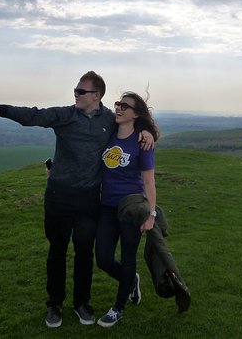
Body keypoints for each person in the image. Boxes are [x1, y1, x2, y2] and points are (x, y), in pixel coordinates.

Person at [0, 71, 154, 328]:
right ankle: (54, 305)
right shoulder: (65, 115)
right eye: (75, 91)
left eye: (81, 91)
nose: (76, 95)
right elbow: (34, 115)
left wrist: (147, 132)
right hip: (58, 197)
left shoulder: (109, 119)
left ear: (96, 95)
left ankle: (82, 304)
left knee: (84, 254)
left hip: (89, 200)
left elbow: (132, 125)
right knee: (56, 252)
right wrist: (0, 109)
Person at [95, 92, 159, 328]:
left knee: (128, 257)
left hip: (132, 208)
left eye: (125, 105)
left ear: (136, 114)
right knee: (102, 258)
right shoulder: (109, 133)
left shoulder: (143, 142)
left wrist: (151, 214)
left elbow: (149, 181)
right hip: (107, 206)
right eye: (118, 104)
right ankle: (130, 280)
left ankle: (118, 308)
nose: (119, 108)